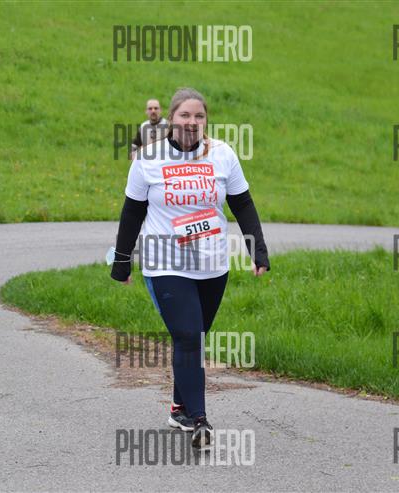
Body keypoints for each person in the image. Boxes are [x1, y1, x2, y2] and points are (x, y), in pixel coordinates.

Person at [111, 88, 270, 450]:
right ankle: (200, 421)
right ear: (171, 119)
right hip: (165, 262)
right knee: (188, 337)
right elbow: (132, 213)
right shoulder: (148, 159)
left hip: (213, 265)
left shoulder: (223, 155)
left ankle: (179, 408)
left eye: (199, 116)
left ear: (205, 120)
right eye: (185, 115)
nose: (192, 122)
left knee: (194, 338)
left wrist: (257, 251)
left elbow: (243, 204)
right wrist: (122, 261)